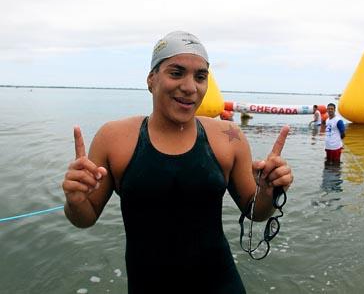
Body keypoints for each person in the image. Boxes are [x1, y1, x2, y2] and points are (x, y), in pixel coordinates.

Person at [61, 31, 294, 293]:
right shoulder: (114, 138)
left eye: (200, 76)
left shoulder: (228, 137)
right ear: (151, 80)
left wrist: (269, 190)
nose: (190, 86)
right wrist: (75, 199)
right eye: (176, 73)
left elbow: (256, 213)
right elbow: (84, 219)